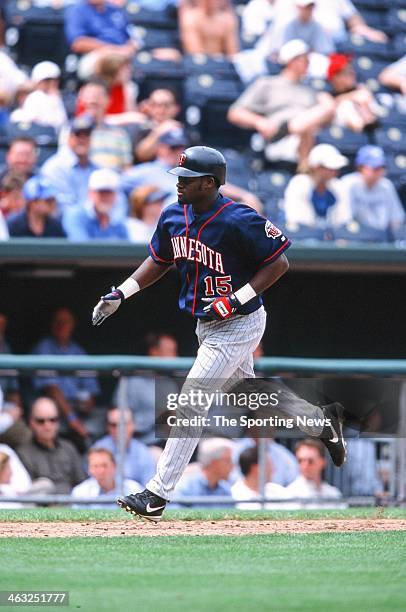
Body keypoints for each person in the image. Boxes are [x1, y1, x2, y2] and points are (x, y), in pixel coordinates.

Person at [91, 145, 347, 522]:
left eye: (186, 179)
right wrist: (122, 292)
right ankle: (321, 422)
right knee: (252, 394)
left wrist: (235, 298)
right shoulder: (173, 215)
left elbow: (280, 262)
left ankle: (157, 494)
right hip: (206, 325)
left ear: (209, 183)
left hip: (240, 321)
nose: (178, 184)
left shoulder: (238, 218)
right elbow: (159, 260)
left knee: (192, 399)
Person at [228, 40, 335, 166]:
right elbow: (235, 113)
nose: (308, 63)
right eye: (304, 59)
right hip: (279, 138)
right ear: (292, 61)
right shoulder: (268, 83)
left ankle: (306, 165)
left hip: (309, 139)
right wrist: (259, 122)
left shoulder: (311, 90)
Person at [31, 308, 101, 446]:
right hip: (56, 409)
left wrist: (88, 403)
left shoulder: (77, 351)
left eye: (66, 322)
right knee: (50, 416)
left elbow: (91, 388)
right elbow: (51, 389)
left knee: (105, 417)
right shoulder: (44, 347)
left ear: (72, 324)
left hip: (77, 409)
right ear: (52, 325)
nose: (61, 325)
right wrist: (72, 418)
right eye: (58, 322)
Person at [113, 333, 179, 445]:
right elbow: (118, 417)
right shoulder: (132, 382)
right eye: (170, 351)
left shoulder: (169, 384)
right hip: (137, 442)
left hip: (165, 442)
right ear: (154, 352)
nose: (175, 357)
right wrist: (157, 417)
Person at [17, 397, 86, 494]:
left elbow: (82, 483)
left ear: (58, 422)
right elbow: (28, 492)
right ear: (31, 422)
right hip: (42, 507)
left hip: (74, 504)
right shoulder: (23, 453)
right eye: (41, 421)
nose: (47, 425)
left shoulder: (69, 448)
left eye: (53, 420)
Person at [283, 143, 351, 229]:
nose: (335, 172)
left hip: (331, 239)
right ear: (316, 167)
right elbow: (298, 222)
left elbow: (343, 222)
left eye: (336, 169)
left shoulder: (339, 186)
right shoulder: (299, 183)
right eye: (329, 168)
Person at [65, 0, 138, 80]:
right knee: (111, 63)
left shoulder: (114, 9)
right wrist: (112, 49)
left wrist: (129, 49)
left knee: (132, 67)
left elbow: (131, 37)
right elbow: (77, 43)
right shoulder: (79, 11)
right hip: (93, 54)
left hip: (122, 54)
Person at [340, 146, 405, 234]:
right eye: (375, 168)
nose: (379, 172)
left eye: (381, 168)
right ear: (361, 167)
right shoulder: (348, 183)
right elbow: (344, 218)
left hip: (381, 238)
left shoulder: (386, 185)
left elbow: (396, 220)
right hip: (356, 236)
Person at [41, 116, 98, 214]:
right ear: (69, 138)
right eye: (78, 135)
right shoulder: (55, 167)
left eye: (87, 135)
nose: (82, 139)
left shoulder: (96, 169)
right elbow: (65, 208)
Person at [75, 80, 133, 171]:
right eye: (88, 96)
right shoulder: (71, 131)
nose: (92, 100)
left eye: (98, 96)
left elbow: (127, 169)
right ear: (81, 100)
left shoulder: (120, 134)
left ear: (109, 100)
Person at [92, 408, 156, 487]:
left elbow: (148, 488)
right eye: (113, 425)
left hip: (135, 497)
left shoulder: (142, 452)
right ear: (107, 427)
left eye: (123, 424)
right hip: (105, 498)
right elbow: (92, 485)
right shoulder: (98, 449)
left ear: (133, 425)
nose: (119, 429)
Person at [63, 168, 129, 241]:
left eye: (109, 193)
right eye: (101, 193)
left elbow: (125, 248)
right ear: (91, 193)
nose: (105, 198)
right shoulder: (76, 216)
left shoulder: (118, 224)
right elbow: (82, 248)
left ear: (115, 196)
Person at [71, 447, 142, 508]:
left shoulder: (134, 489)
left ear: (115, 466)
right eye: (95, 466)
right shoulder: (80, 492)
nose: (101, 471)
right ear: (89, 470)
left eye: (104, 465)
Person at [327, 54, 381, 133]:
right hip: (344, 133)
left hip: (371, 128)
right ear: (335, 77)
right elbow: (330, 105)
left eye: (352, 70)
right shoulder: (328, 94)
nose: (352, 74)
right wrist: (352, 96)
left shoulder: (360, 88)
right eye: (347, 72)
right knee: (346, 105)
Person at [174, 438, 235, 508]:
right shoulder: (185, 488)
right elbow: (173, 516)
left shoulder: (225, 491)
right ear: (214, 463)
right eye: (227, 461)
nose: (232, 466)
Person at [286, 439, 345, 508]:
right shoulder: (290, 494)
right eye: (300, 461)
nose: (304, 465)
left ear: (322, 462)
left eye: (310, 461)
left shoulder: (334, 493)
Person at [10, 61, 67, 132]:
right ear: (38, 81)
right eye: (47, 80)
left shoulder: (60, 98)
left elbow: (62, 123)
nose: (52, 83)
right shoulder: (35, 97)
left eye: (55, 80)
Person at [135, 88, 183, 163]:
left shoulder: (182, 130)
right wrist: (159, 131)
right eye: (156, 105)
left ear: (176, 108)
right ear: (148, 107)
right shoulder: (140, 128)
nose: (161, 110)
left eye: (166, 105)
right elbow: (141, 156)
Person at [234, 436, 299, 487]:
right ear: (255, 469)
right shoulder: (235, 495)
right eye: (268, 466)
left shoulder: (276, 490)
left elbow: (293, 476)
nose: (273, 470)